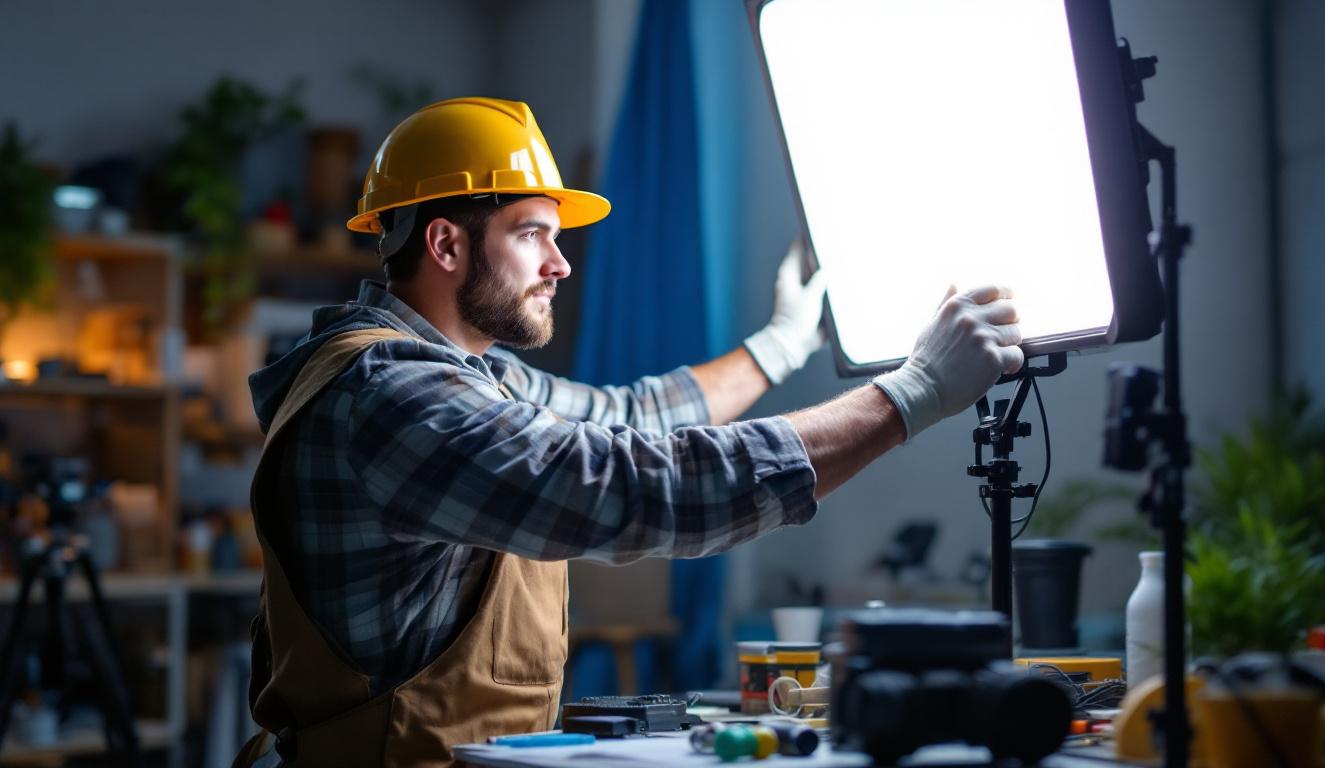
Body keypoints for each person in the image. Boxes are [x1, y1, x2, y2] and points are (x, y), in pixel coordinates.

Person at [234, 97, 1022, 767]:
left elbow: (631, 417)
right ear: (445, 243)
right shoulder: (392, 395)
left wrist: (782, 343)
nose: (560, 264)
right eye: (532, 233)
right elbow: (624, 485)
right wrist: (912, 393)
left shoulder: (468, 376)